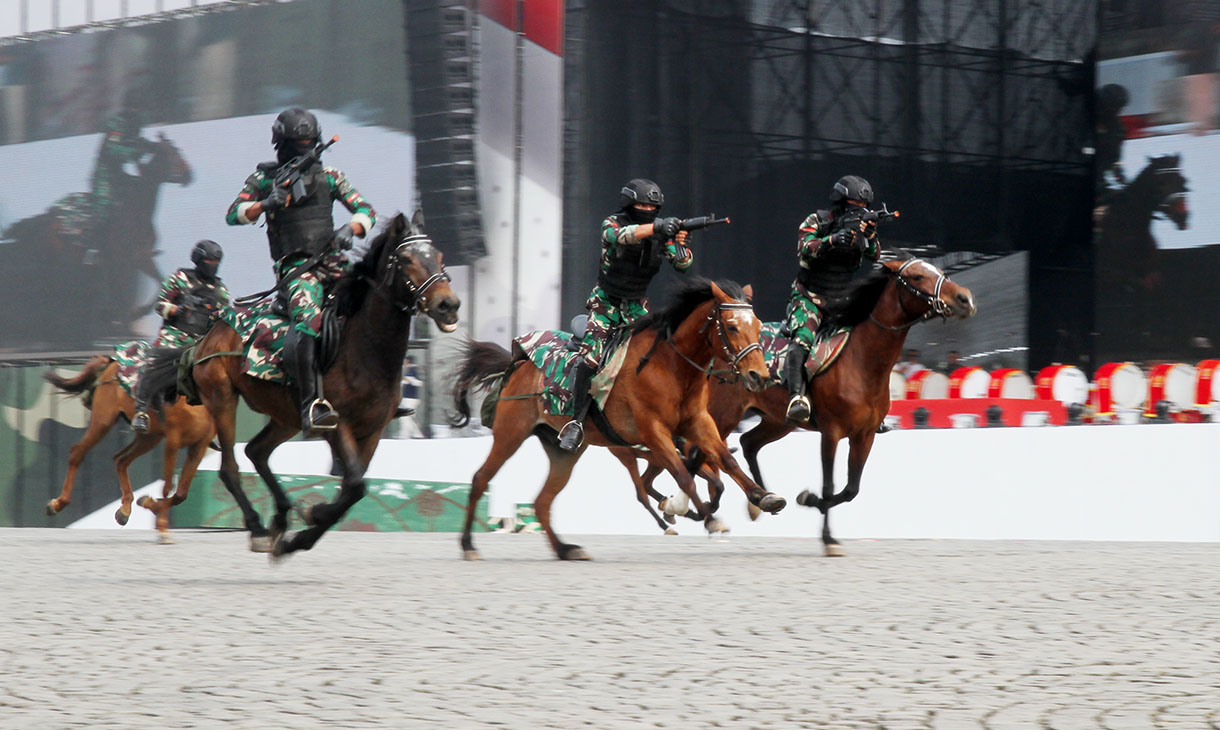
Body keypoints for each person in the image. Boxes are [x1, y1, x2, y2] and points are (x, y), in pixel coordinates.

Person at [225, 107, 376, 433]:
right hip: (296, 269)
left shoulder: (331, 175)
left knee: (375, 302)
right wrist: (265, 203)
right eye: (299, 141)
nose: (306, 145)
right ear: (283, 142)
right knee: (309, 320)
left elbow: (365, 210)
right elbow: (233, 214)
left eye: (309, 140)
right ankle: (311, 405)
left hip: (334, 262)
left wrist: (351, 229)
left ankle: (381, 391)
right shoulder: (263, 179)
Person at [557, 178, 693, 452]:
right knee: (591, 359)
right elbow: (621, 236)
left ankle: (670, 425)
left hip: (636, 307)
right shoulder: (613, 223)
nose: (647, 208)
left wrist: (678, 242)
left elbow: (683, 264)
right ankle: (576, 423)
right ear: (629, 204)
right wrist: (657, 226)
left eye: (652, 206)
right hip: (605, 305)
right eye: (642, 204)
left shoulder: (660, 233)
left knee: (655, 359)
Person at [783, 175, 882, 423]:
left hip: (842, 301)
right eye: (854, 207)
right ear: (840, 202)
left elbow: (875, 255)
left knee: (867, 344)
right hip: (808, 298)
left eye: (863, 208)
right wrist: (831, 240)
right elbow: (804, 248)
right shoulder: (816, 221)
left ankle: (871, 406)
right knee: (803, 340)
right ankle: (797, 398)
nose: (859, 212)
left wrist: (868, 235)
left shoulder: (862, 228)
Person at [132, 240, 229, 432]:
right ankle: (141, 411)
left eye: (216, 262)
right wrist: (176, 309)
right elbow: (160, 305)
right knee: (157, 364)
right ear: (199, 260)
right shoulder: (180, 278)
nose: (213, 266)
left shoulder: (221, 291)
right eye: (209, 261)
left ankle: (210, 426)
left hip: (201, 341)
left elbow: (223, 318)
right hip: (175, 334)